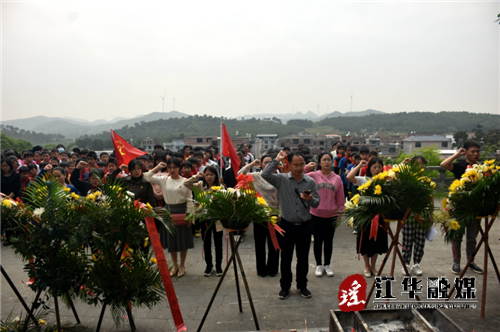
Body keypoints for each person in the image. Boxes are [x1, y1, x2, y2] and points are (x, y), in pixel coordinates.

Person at [262, 151, 320, 299]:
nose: (299, 168)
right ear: (289, 164)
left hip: (305, 226)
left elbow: (317, 202)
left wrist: (310, 198)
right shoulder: (281, 179)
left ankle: (302, 286)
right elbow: (265, 174)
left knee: (303, 259)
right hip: (286, 225)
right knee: (286, 259)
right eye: (295, 165)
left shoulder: (310, 182)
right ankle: (285, 287)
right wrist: (276, 160)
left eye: (302, 164)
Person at [144, 158, 195, 278]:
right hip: (169, 211)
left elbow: (189, 199)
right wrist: (157, 168)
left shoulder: (186, 181)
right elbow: (146, 177)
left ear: (179, 168)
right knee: (171, 240)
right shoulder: (164, 180)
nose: (172, 170)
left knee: (182, 240)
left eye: (175, 167)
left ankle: (182, 265)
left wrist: (190, 216)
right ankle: (175, 265)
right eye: (170, 167)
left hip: (182, 211)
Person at [440, 140, 484, 275]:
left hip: (475, 208)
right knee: (457, 236)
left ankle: (471, 261)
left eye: (477, 151)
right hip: (459, 207)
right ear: (466, 153)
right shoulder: (460, 166)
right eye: (473, 151)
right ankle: (456, 263)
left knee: (472, 237)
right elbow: (444, 164)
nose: (476, 154)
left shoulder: (482, 168)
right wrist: (457, 154)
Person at [346, 158, 388, 278]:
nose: (377, 169)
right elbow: (349, 177)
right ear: (369, 168)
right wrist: (359, 165)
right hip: (365, 216)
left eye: (379, 167)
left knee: (377, 241)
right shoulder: (364, 179)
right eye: (374, 167)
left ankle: (374, 266)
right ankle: (366, 265)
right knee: (365, 241)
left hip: (379, 216)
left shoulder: (385, 181)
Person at [240, 155, 280, 278]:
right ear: (261, 164)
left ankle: (273, 268)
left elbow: (282, 198)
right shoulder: (256, 176)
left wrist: (280, 214)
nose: (267, 164)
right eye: (265, 162)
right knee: (259, 243)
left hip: (274, 214)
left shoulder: (279, 178)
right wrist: (251, 165)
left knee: (274, 243)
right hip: (259, 214)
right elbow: (240, 174)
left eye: (270, 162)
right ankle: (261, 269)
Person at [305, 152, 345, 277]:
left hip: (331, 215)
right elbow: (300, 175)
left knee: (329, 241)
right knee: (317, 241)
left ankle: (327, 265)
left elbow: (340, 198)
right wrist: (307, 167)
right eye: (324, 159)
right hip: (316, 214)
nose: (327, 162)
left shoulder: (337, 179)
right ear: (320, 162)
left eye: (329, 159)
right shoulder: (313, 176)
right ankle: (318, 265)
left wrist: (340, 214)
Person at [184, 166, 224, 276]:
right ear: (204, 176)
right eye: (207, 175)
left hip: (216, 220)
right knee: (206, 243)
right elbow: (186, 184)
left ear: (215, 176)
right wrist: (196, 176)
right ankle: (208, 266)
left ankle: (219, 266)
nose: (209, 177)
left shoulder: (220, 187)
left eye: (211, 174)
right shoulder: (200, 186)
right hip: (204, 218)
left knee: (218, 244)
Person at [401, 156, 428, 276]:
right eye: (417, 164)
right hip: (408, 215)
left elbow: (430, 197)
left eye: (422, 164)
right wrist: (403, 163)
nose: (420, 166)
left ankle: (416, 263)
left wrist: (430, 213)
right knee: (407, 240)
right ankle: (405, 264)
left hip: (422, 215)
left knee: (420, 241)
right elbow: (395, 174)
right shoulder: (407, 178)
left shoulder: (427, 180)